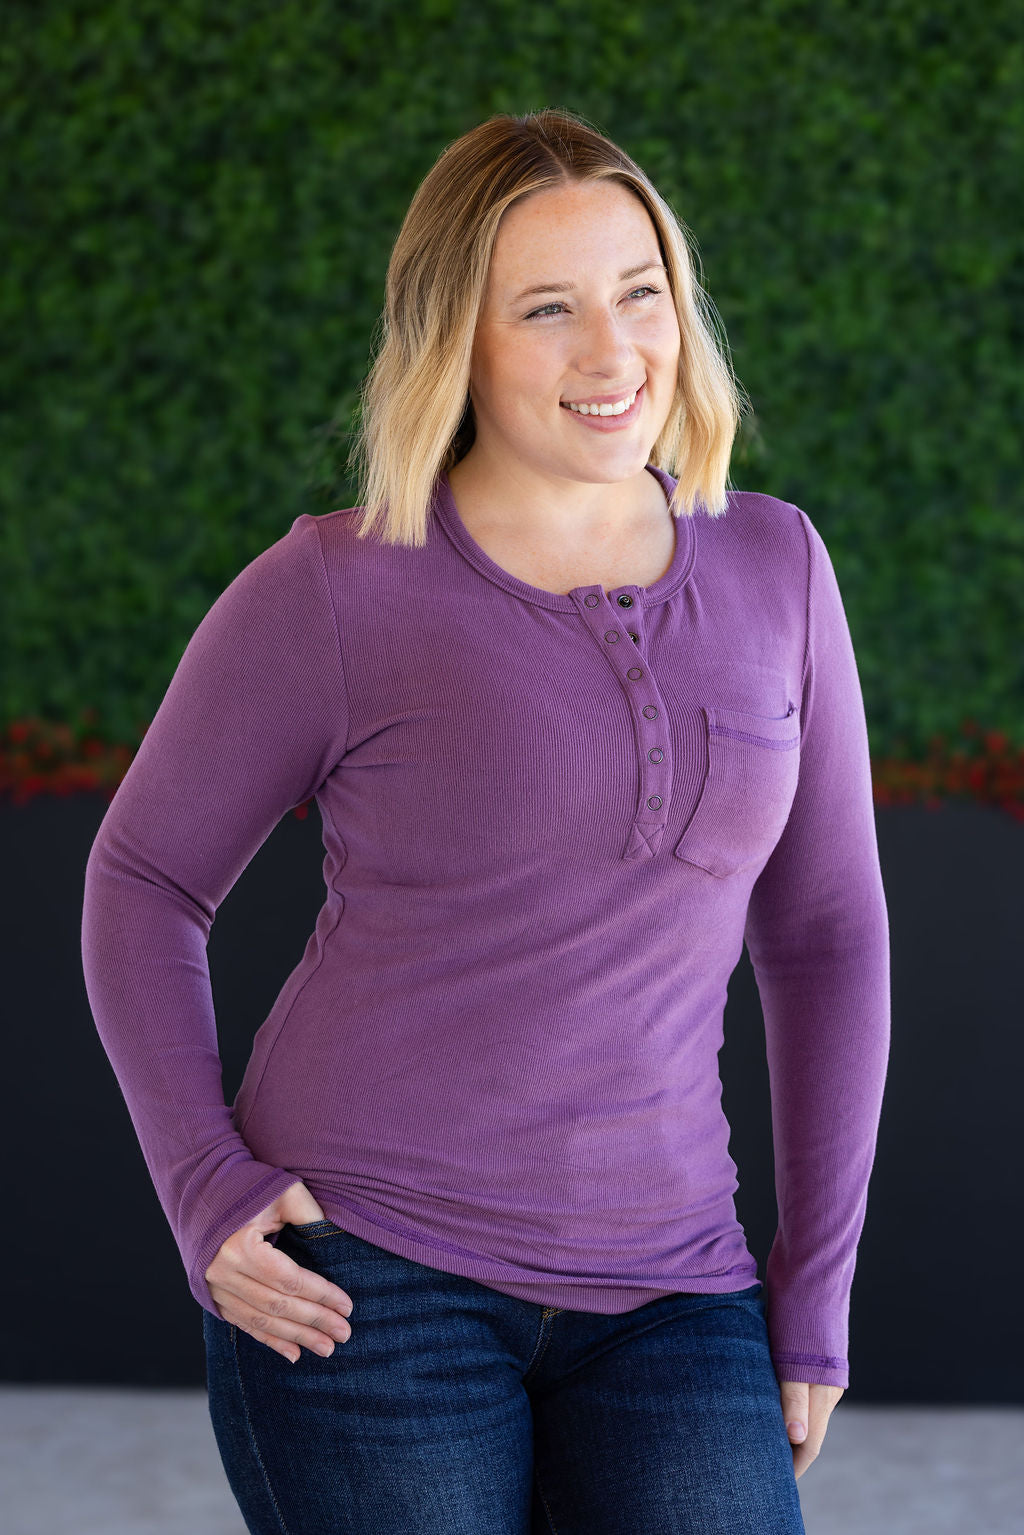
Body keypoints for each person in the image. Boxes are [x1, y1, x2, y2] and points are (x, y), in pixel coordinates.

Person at [81, 107, 890, 1534]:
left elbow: (825, 936)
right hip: (365, 1276)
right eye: (548, 309)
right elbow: (144, 879)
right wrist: (202, 1185)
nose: (612, 351)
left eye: (641, 292)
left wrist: (811, 1288)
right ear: (460, 338)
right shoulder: (339, 589)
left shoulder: (777, 563)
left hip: (674, 1285)